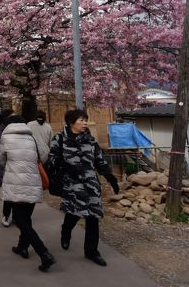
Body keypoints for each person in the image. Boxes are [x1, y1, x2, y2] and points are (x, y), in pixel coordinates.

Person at [48, 109, 120, 266]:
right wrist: (67, 167)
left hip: (91, 184)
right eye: (82, 120)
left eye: (85, 120)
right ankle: (66, 231)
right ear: (71, 122)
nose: (85, 123)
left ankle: (92, 251)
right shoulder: (59, 139)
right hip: (72, 184)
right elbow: (52, 159)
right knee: (74, 213)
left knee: (93, 217)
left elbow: (99, 160)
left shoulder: (91, 141)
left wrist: (110, 177)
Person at [0, 115, 55, 272]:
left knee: (20, 221)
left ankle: (44, 253)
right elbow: (42, 156)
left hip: (16, 184)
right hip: (33, 183)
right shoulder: (31, 137)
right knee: (26, 219)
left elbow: (2, 160)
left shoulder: (6, 138)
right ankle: (22, 247)